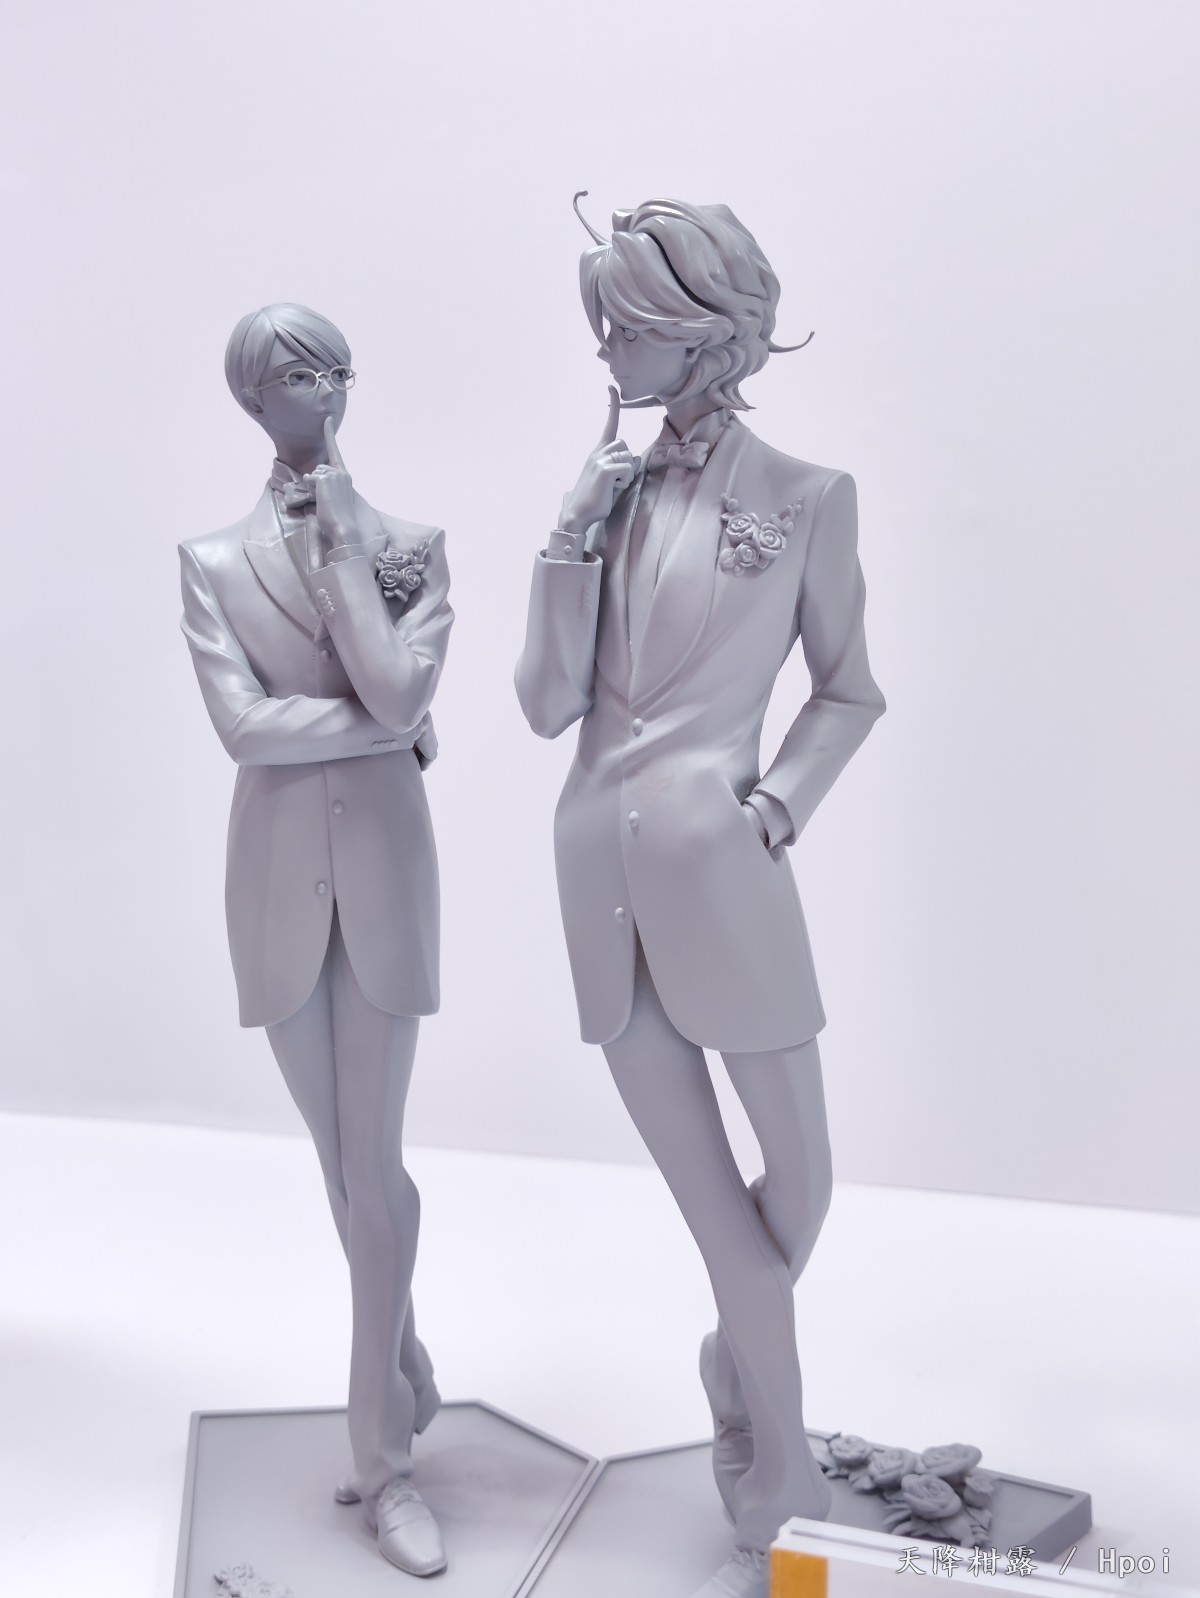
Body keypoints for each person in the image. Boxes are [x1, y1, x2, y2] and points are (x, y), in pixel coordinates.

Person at [515, 199, 885, 1598]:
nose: (606, 347)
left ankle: (733, 1365)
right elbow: (545, 704)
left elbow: (849, 691)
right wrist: (566, 536)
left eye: (628, 325)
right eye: (603, 323)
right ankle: (782, 1502)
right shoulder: (601, 498)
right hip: (598, 887)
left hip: (730, 883)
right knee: (727, 1227)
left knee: (803, 1186)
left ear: (705, 334)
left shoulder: (808, 496)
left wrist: (772, 807)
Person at [180, 304, 452, 1577]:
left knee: (374, 1164)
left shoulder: (408, 546)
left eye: (338, 365)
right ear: (255, 395)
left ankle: (384, 1458)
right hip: (273, 886)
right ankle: (405, 1357)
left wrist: (346, 549)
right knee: (340, 1163)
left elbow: (399, 683)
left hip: (387, 879)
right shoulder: (209, 561)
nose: (326, 386)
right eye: (299, 371)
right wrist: (388, 727)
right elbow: (243, 729)